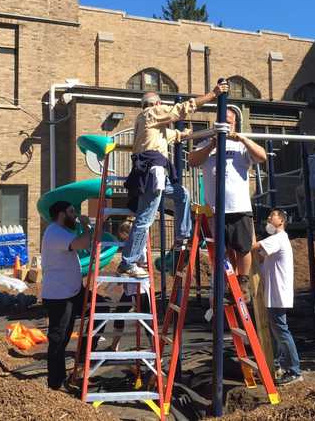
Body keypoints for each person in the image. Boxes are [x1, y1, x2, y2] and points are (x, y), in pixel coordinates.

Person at [118, 80, 229, 278]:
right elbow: (182, 109)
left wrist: (185, 134)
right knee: (145, 218)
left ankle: (182, 235)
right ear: (157, 104)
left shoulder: (150, 126)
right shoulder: (150, 113)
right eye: (162, 105)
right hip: (153, 173)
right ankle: (128, 262)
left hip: (154, 172)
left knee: (182, 194)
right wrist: (213, 94)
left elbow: (172, 135)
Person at [189, 106, 267, 303]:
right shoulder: (207, 143)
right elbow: (192, 160)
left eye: (230, 121)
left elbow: (262, 156)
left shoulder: (241, 146)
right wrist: (213, 144)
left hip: (239, 205)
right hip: (215, 209)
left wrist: (241, 138)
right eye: (223, 121)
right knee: (223, 250)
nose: (226, 124)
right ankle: (228, 283)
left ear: (234, 123)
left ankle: (242, 282)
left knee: (243, 248)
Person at [41, 200, 95, 390]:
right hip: (60, 295)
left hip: (73, 291)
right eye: (72, 211)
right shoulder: (55, 232)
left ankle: (81, 364)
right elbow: (82, 243)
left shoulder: (61, 231)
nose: (75, 215)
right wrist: (88, 226)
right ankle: (55, 383)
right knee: (59, 338)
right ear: (62, 214)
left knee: (100, 308)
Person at [251, 209, 302, 385]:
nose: (268, 219)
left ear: (281, 220)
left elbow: (254, 247)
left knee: (281, 330)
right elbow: (260, 257)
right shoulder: (276, 240)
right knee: (277, 330)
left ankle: (294, 369)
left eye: (272, 216)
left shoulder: (278, 238)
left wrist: (245, 235)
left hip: (278, 292)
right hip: (275, 292)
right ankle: (278, 364)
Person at [108, 219, 151, 351]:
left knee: (146, 319)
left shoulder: (139, 247)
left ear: (130, 234)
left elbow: (142, 264)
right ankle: (114, 345)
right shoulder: (131, 248)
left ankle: (154, 347)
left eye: (123, 236)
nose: (122, 240)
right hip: (130, 289)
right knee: (119, 314)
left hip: (140, 288)